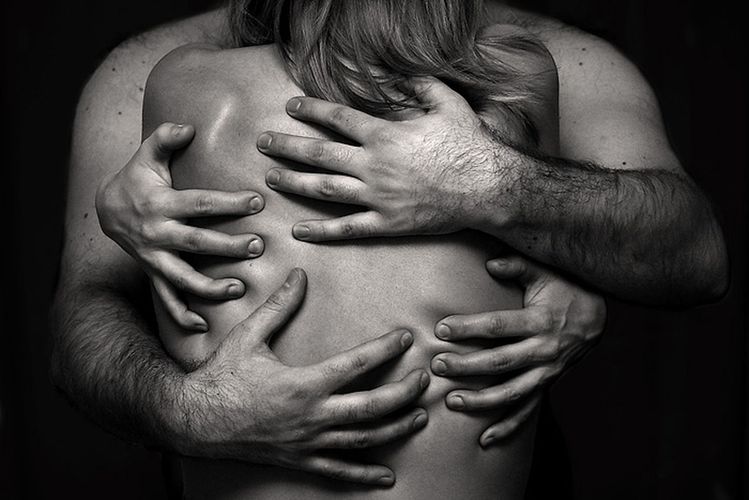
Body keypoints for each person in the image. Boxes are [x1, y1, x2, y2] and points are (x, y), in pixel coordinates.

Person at [50, 0, 727, 494]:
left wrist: (493, 187)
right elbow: (85, 313)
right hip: (238, 462)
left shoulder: (563, 63)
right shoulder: (141, 72)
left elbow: (695, 258)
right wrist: (193, 413)